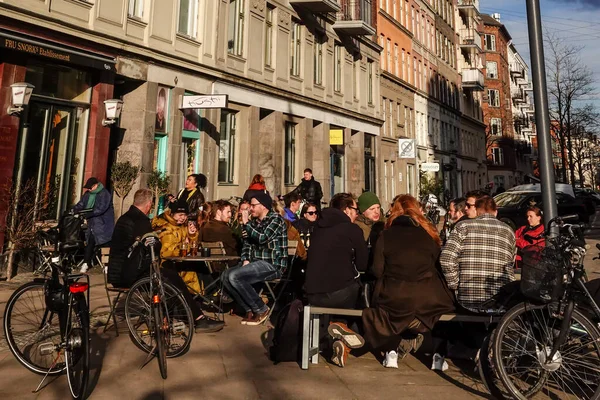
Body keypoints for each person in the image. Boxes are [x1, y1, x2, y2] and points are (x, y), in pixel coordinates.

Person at [107, 189, 223, 333]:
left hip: (119, 272)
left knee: (171, 276)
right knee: (171, 279)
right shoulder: (140, 221)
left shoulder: (125, 218)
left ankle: (179, 317)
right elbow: (152, 248)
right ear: (149, 204)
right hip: (128, 275)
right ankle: (194, 319)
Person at [362, 195, 455, 369]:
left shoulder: (386, 235)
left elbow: (377, 270)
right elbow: (438, 264)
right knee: (445, 312)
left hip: (395, 294)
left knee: (392, 312)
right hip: (428, 295)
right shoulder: (429, 234)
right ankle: (438, 355)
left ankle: (391, 353)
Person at [304, 193, 368, 368]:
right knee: (359, 294)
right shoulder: (352, 229)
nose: (357, 214)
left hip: (312, 294)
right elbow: (363, 264)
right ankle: (343, 334)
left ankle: (337, 339)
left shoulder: (317, 227)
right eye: (355, 210)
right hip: (339, 294)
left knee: (345, 289)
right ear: (346, 210)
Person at [440, 196, 516, 313]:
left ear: (478, 211)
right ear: (495, 212)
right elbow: (511, 262)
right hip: (500, 300)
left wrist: (454, 284)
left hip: (467, 299)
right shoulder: (508, 231)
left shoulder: (463, 227)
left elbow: (446, 259)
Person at [222, 192, 288, 326]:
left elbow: (262, 237)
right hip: (255, 263)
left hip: (272, 264)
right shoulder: (253, 222)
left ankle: (261, 309)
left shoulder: (276, 220)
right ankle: (250, 310)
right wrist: (246, 258)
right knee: (225, 276)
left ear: (263, 206)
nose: (250, 209)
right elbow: (247, 243)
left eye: (253, 206)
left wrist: (246, 223)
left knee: (235, 276)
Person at [152, 200, 202, 295]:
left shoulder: (181, 226)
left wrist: (192, 235)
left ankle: (199, 298)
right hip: (168, 265)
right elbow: (166, 252)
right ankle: (195, 298)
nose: (183, 218)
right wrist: (185, 246)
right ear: (172, 213)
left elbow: (191, 246)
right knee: (196, 271)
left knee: (203, 269)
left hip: (180, 262)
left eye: (185, 215)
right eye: (180, 214)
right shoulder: (166, 227)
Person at [73, 177, 115, 273]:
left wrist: (88, 213)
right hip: (92, 224)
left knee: (105, 244)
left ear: (96, 185)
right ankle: (86, 263)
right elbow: (81, 204)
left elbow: (101, 208)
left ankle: (107, 265)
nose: (89, 190)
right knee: (90, 243)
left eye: (90, 188)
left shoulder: (105, 194)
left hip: (103, 224)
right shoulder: (87, 194)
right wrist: (75, 209)